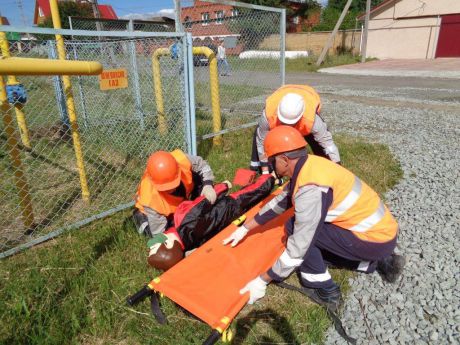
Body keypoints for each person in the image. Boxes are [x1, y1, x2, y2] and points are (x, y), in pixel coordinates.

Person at [225, 126, 405, 310]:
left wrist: (263, 280)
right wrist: (245, 228)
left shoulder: (311, 189)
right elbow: (282, 201)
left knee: (295, 229)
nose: (271, 167)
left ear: (284, 160)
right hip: (382, 233)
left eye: (272, 162)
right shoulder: (310, 164)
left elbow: (300, 244)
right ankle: (375, 262)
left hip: (375, 240)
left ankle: (325, 289)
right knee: (306, 233)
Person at [147, 174, 275, 271]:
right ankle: (271, 177)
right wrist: (222, 187)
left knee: (252, 197)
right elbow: (203, 201)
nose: (151, 244)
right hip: (227, 207)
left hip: (226, 220)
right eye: (154, 246)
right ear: (168, 242)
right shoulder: (182, 219)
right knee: (254, 192)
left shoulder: (186, 241)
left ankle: (270, 180)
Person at [250, 84, 341, 174]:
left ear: (300, 117)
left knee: (319, 148)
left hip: (308, 95)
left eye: (291, 124)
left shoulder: (312, 120)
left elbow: (328, 145)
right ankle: (258, 168)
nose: (288, 127)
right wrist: (265, 171)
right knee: (262, 137)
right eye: (284, 122)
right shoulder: (268, 115)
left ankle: (324, 170)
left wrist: (338, 167)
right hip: (282, 94)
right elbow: (261, 143)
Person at [133, 149, 216, 237]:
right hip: (149, 214)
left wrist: (207, 184)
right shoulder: (150, 199)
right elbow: (159, 234)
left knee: (198, 177)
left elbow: (202, 166)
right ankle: (140, 219)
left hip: (179, 199)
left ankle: (194, 205)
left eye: (173, 184)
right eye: (166, 188)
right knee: (171, 232)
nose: (171, 189)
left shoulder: (181, 160)